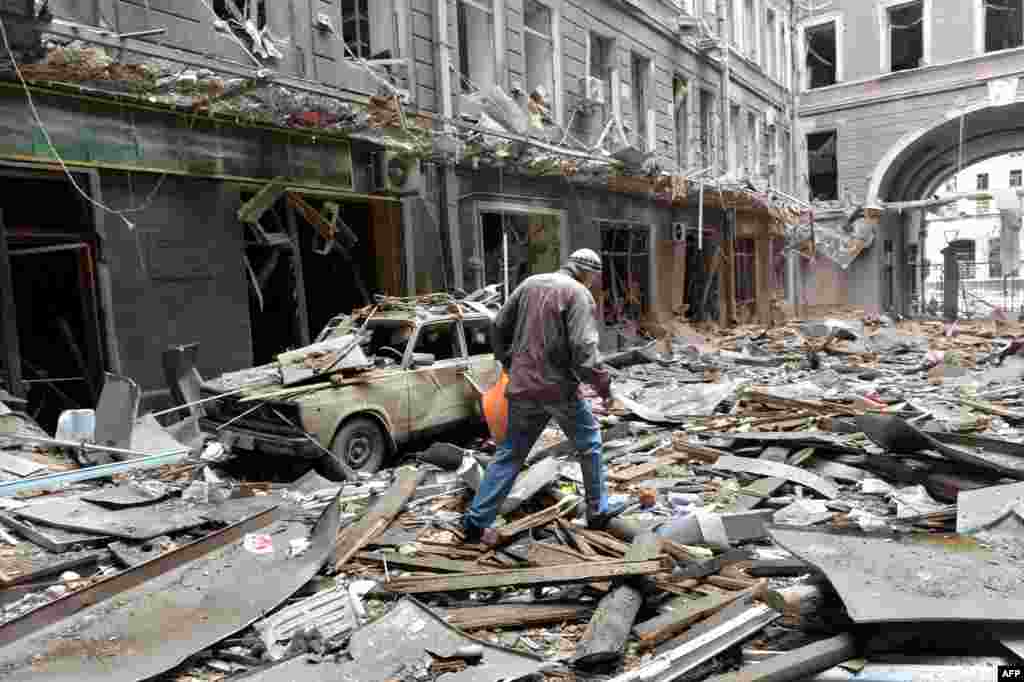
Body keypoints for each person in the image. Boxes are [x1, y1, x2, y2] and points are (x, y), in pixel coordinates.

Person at [463, 248, 624, 545]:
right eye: (594, 278)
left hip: (523, 387)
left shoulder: (529, 284)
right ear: (589, 274)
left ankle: (475, 522)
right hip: (558, 388)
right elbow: (584, 349)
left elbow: (497, 326)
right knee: (589, 443)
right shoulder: (578, 294)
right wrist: (605, 390)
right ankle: (597, 510)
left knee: (510, 454)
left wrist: (509, 362)